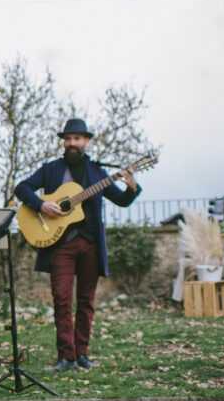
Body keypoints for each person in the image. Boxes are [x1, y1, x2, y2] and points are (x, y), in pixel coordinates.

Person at [14, 118, 141, 371]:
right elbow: (22, 187)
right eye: (68, 138)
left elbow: (121, 200)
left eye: (77, 138)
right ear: (64, 141)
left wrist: (132, 186)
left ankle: (81, 354)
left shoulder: (98, 173)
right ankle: (66, 357)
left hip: (90, 246)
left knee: (86, 302)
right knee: (61, 301)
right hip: (60, 244)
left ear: (86, 141)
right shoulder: (51, 169)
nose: (72, 143)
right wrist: (41, 205)